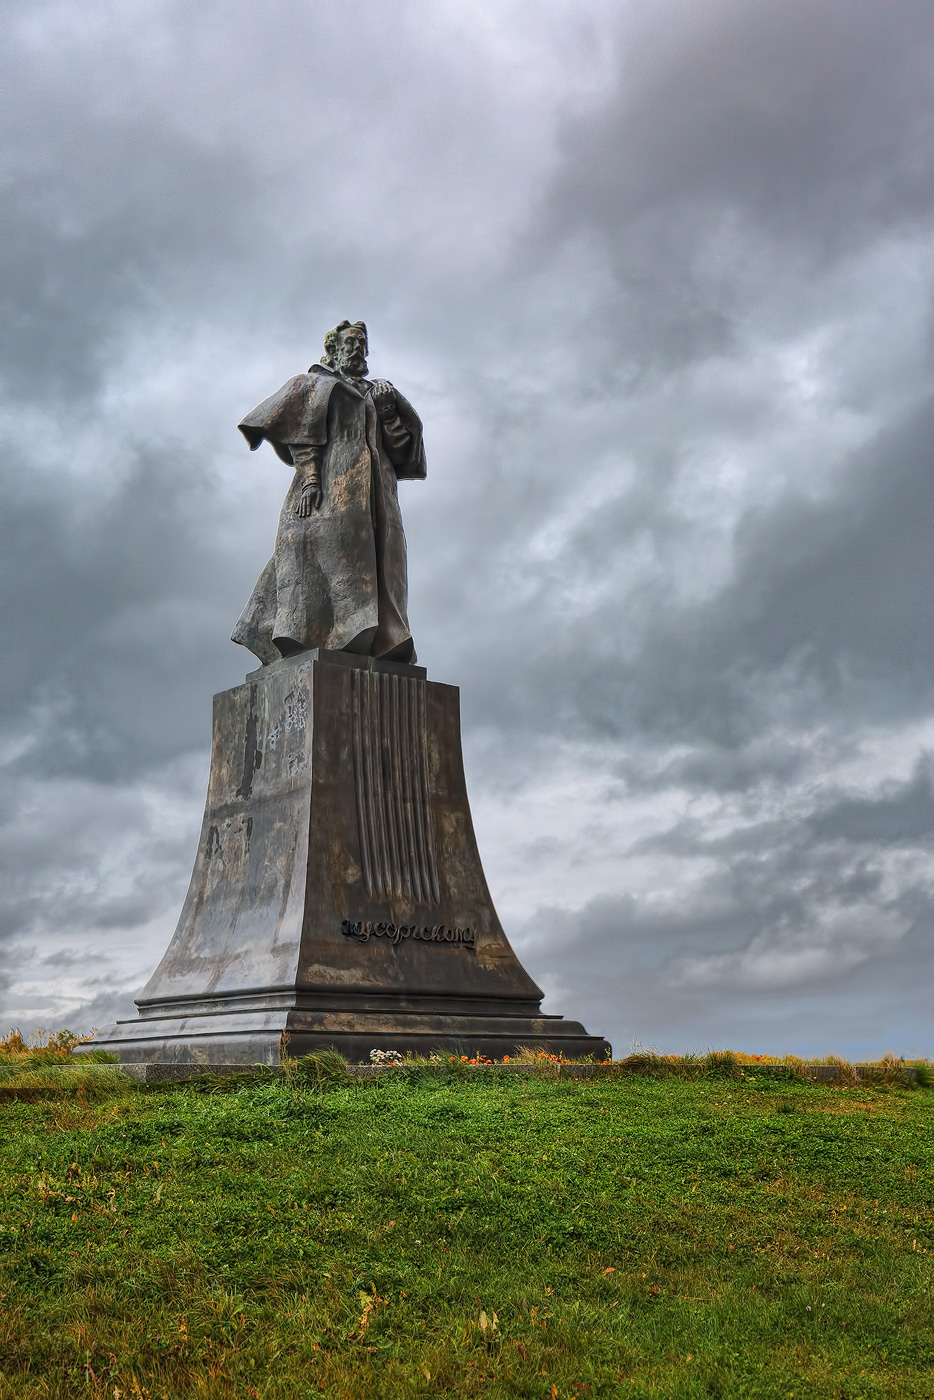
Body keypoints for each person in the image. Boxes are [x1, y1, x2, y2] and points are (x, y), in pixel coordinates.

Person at [231, 320, 426, 666]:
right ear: (333, 350)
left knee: (381, 571)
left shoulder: (379, 392)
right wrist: (310, 481)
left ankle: (376, 640)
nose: (357, 350)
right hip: (329, 494)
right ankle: (325, 638)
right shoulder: (314, 386)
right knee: (324, 568)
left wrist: (387, 410)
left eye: (361, 344)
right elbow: (303, 440)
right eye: (349, 343)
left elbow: (401, 449)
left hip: (379, 499)